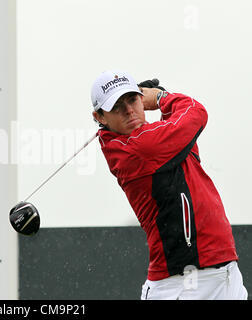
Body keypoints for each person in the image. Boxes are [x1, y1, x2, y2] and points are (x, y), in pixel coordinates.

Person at [90, 70, 248, 300]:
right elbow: (196, 112)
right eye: (116, 106)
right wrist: (161, 98)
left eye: (132, 99)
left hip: (225, 274)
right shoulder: (135, 149)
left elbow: (177, 129)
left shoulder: (155, 139)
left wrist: (161, 105)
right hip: (180, 284)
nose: (128, 110)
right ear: (100, 117)